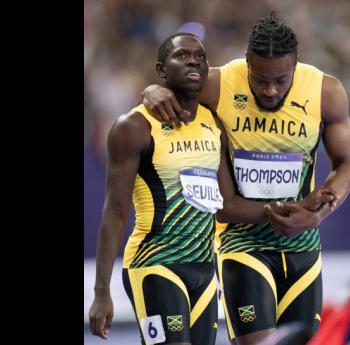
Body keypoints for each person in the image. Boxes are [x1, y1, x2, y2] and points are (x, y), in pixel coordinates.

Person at [88, 32, 326, 345]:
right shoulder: (134, 126)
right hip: (155, 265)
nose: (193, 61)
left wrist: (289, 210)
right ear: (161, 70)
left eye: (200, 56)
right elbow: (115, 210)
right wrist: (101, 291)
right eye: (182, 56)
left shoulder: (215, 125)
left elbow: (226, 206)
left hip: (202, 271)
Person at [140, 13, 350, 345]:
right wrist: (151, 91)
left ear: (296, 68)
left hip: (303, 247)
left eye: (282, 80)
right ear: (246, 64)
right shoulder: (219, 83)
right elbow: (163, 92)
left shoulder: (324, 92)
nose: (270, 90)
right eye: (259, 79)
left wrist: (320, 210)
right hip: (243, 243)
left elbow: (348, 161)